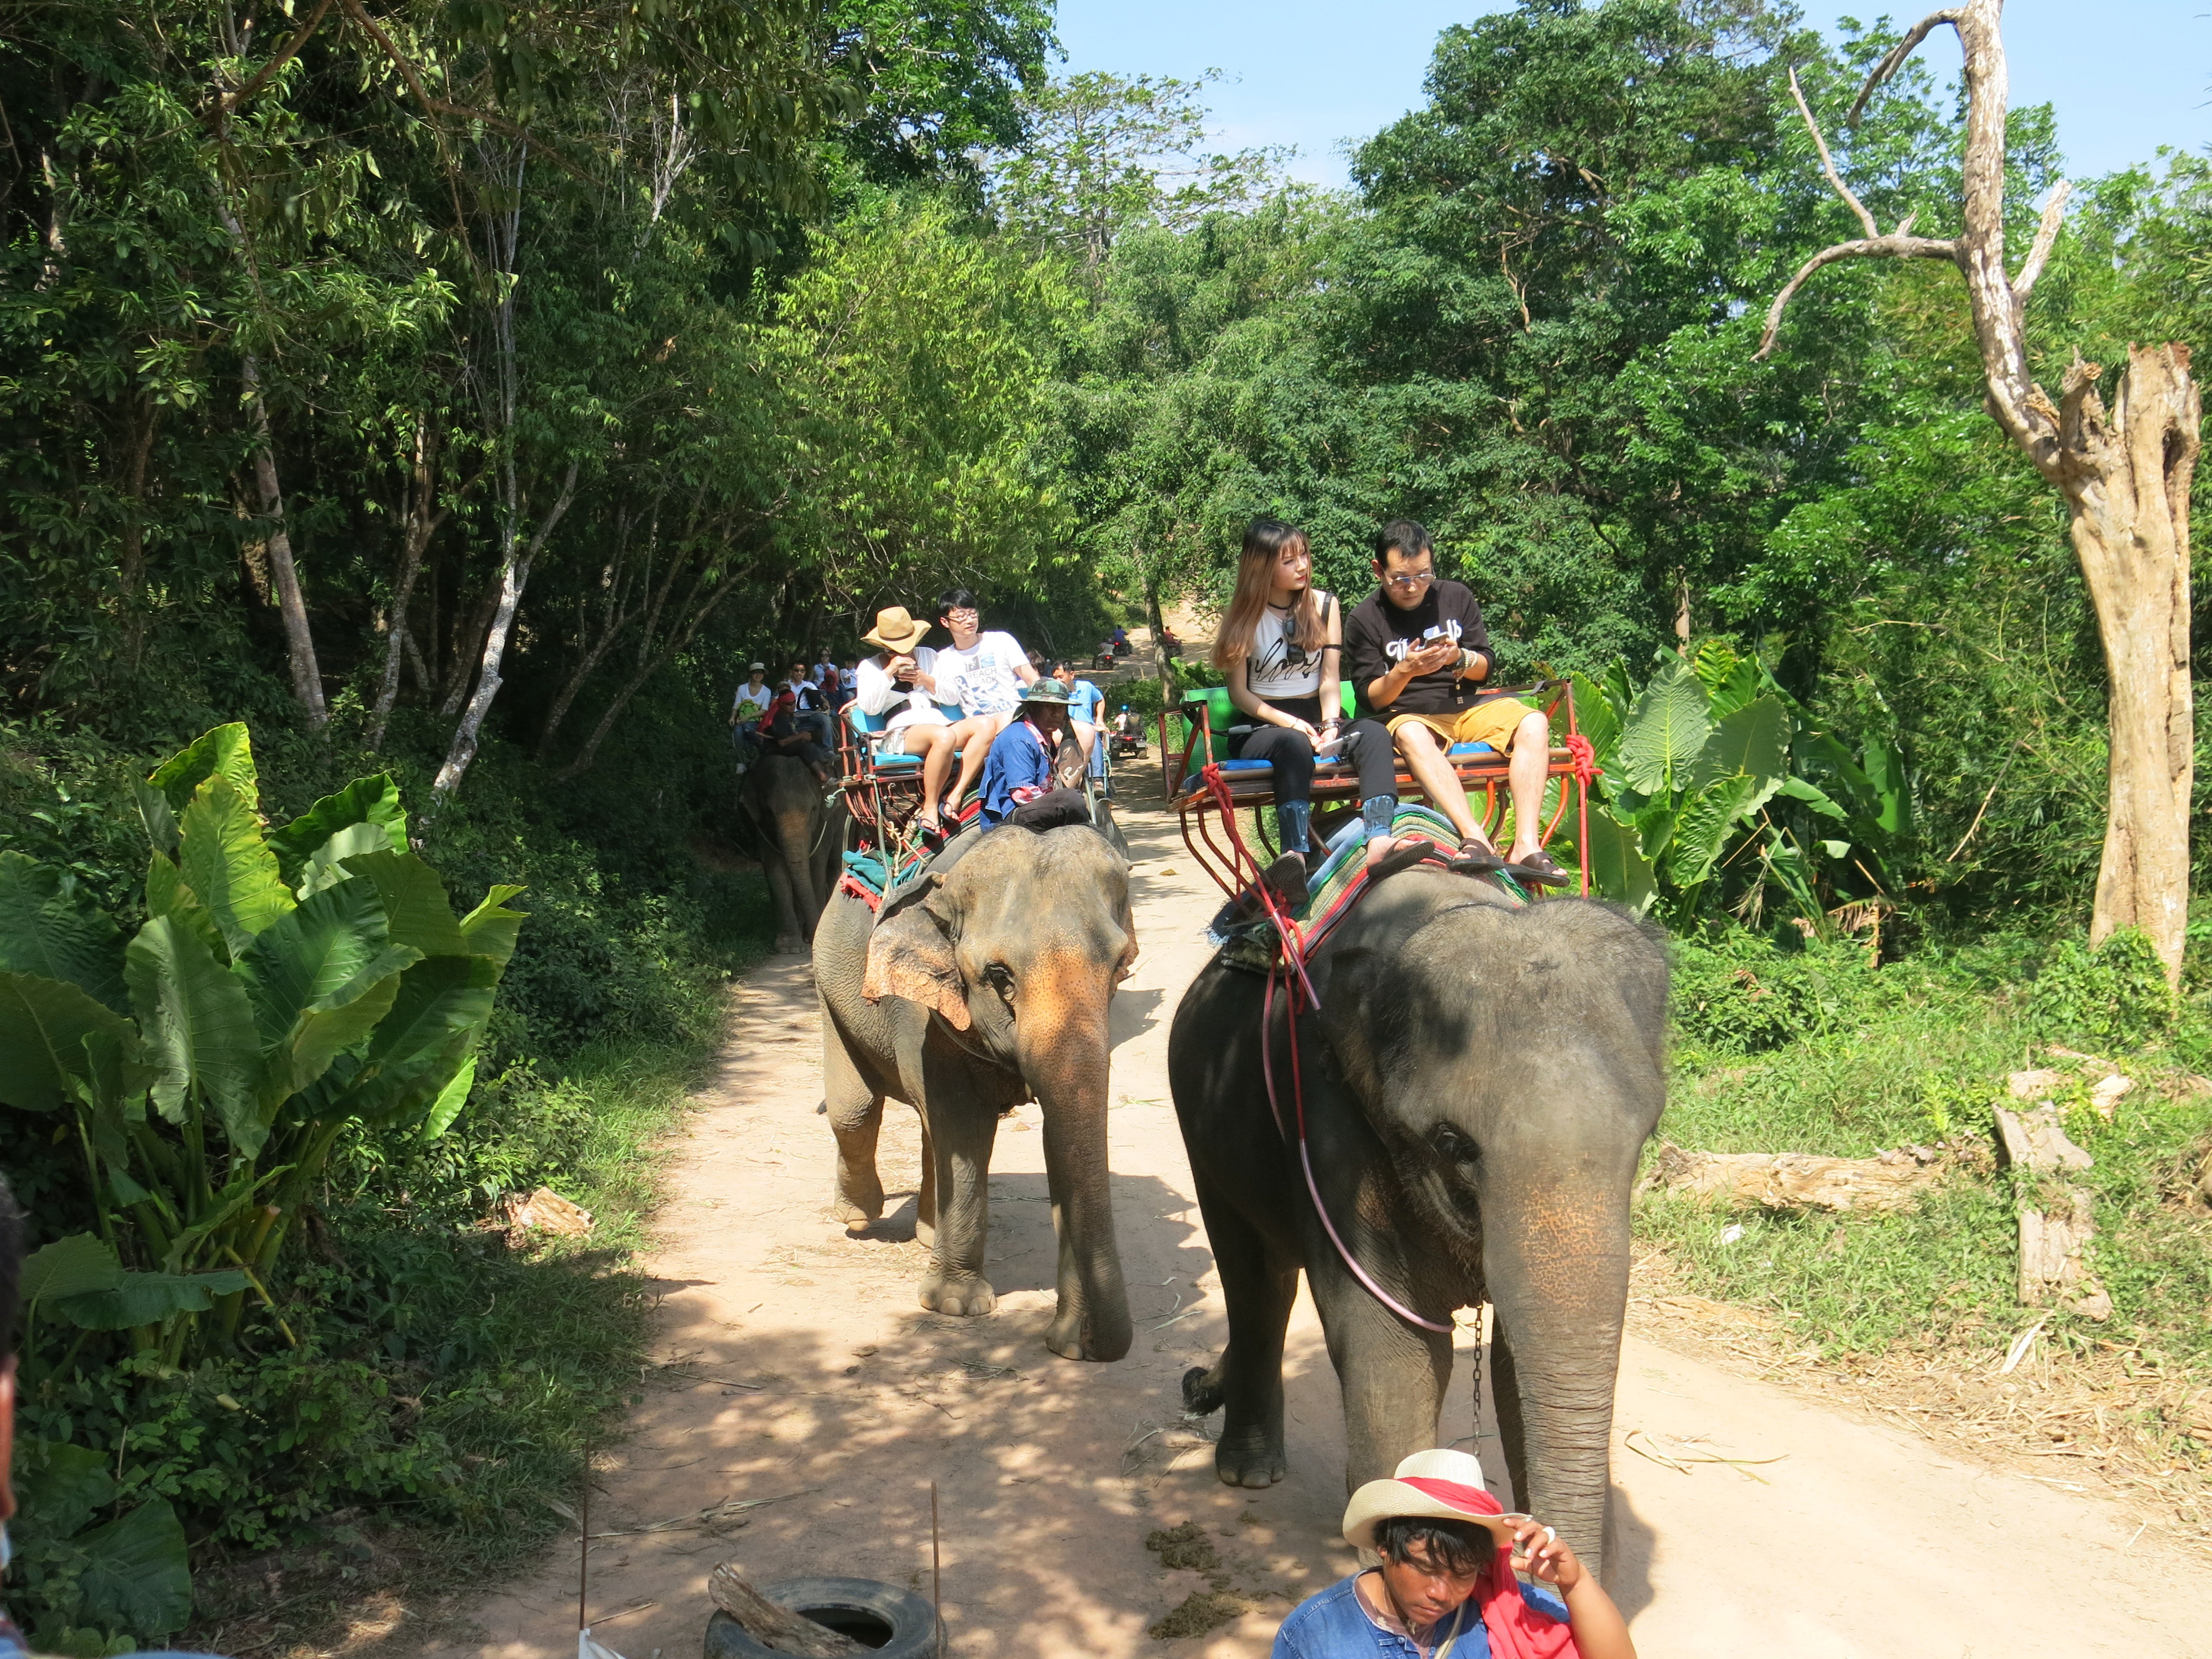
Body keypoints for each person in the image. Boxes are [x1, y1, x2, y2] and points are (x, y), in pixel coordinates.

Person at [1344, 520, 1569, 885]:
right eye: (1401, 578)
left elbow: (1486, 668)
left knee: (1534, 722)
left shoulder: (1455, 597)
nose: (1413, 586)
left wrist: (1459, 658)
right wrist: (1404, 671)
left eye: (1423, 575)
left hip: (1465, 705)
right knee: (1412, 733)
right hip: (1409, 716)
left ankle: (1526, 844)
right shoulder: (1365, 618)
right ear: (1378, 570)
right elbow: (1370, 698)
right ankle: (1475, 838)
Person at [1273, 1448, 1634, 1659]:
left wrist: (1576, 1583)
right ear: (1384, 1547)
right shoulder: (1315, 1636)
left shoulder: (1500, 1606)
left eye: (1462, 1573)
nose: (1441, 1593)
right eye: (1426, 1567)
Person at [1212, 518, 1405, 910]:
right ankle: (1294, 857)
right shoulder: (1243, 617)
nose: (1302, 565)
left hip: (1319, 715)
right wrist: (1292, 723)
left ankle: (1380, 840)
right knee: (1292, 742)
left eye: (1304, 554)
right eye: (1289, 560)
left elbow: (1330, 679)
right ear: (1261, 567)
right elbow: (1240, 694)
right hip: (1263, 724)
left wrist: (1331, 722)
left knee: (1373, 734)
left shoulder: (1324, 605)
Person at [853, 606, 962, 847]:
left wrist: (925, 679)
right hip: (902, 730)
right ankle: (931, 807)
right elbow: (869, 707)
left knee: (986, 727)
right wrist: (889, 673)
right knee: (944, 737)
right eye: (895, 649)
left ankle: (956, 796)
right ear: (884, 646)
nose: (903, 652)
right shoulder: (870, 667)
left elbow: (953, 697)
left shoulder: (930, 656)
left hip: (939, 722)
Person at [930, 588, 1037, 818]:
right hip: (979, 728)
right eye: (960, 616)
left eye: (972, 614)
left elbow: (1030, 677)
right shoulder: (943, 659)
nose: (969, 620)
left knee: (1010, 719)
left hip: (1012, 718)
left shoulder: (1000, 641)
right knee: (988, 724)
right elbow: (940, 696)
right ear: (945, 622)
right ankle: (958, 794)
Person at [977, 678, 1089, 830]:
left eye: (1061, 708)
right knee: (1071, 800)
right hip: (1011, 815)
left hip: (1032, 808)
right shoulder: (1019, 740)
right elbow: (1023, 795)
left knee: (1070, 799)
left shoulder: (1043, 736)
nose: (1057, 714)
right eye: (1050, 707)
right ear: (1033, 707)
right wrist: (1055, 802)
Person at [1047, 659, 1104, 763]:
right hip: (1065, 730)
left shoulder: (1087, 687)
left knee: (1094, 738)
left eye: (1061, 677)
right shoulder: (1054, 694)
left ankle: (1097, 778)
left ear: (1072, 675)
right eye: (1055, 678)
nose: (1058, 681)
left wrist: (1099, 719)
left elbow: (1100, 699)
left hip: (1089, 728)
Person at [783, 660, 837, 754]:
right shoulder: (786, 686)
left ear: (805, 673)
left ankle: (828, 750)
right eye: (796, 670)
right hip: (794, 714)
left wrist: (825, 702)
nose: (799, 673)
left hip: (810, 713)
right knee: (788, 725)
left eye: (802, 671)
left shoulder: (809, 685)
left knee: (826, 719)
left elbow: (820, 697)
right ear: (791, 671)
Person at [728, 662, 774, 771]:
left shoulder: (766, 691)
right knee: (738, 734)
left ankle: (758, 755)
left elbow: (764, 710)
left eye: (761, 673)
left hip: (756, 721)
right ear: (751, 674)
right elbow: (737, 705)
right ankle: (741, 762)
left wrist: (749, 716)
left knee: (749, 729)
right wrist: (732, 717)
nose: (758, 675)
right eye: (756, 673)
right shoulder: (742, 688)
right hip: (741, 720)